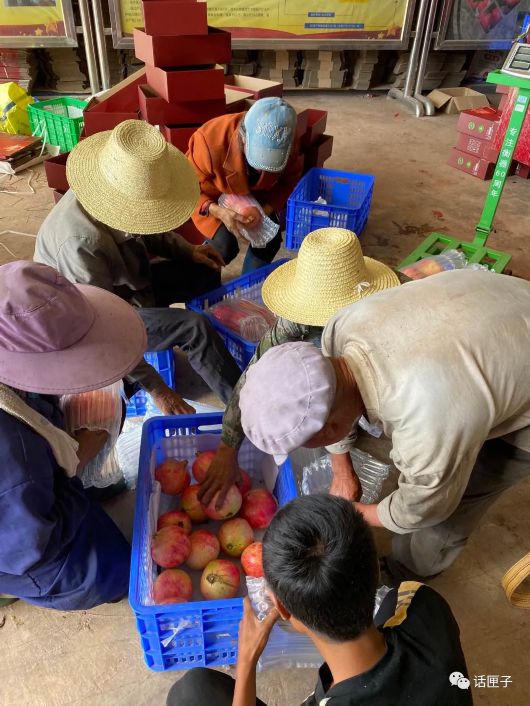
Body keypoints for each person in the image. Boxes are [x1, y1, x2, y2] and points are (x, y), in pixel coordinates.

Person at [238, 270, 530, 581]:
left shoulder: (424, 424)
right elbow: (334, 394)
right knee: (462, 432)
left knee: (458, 505)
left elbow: (423, 508)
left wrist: (354, 514)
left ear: (330, 427)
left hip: (511, 332)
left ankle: (406, 570)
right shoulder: (343, 326)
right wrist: (341, 470)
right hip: (496, 303)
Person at [166, 495, 472, 706]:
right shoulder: (424, 603)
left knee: (192, 693)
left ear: (281, 608)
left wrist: (246, 660)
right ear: (374, 571)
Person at [35, 120, 241, 415]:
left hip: (122, 281)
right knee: (194, 328)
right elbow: (101, 328)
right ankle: (243, 412)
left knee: (205, 268)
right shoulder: (80, 244)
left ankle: (216, 349)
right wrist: (158, 388)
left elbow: (149, 226)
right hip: (86, 316)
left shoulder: (115, 193)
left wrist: (189, 251)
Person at [199, 228, 400, 507]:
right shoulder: (297, 322)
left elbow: (336, 393)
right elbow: (257, 370)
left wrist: (341, 466)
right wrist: (227, 445)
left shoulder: (386, 324)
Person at [0, 260, 147, 610]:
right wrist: (76, 460)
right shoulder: (16, 456)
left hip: (31, 488)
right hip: (24, 547)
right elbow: (32, 547)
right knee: (120, 572)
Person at [186, 96, 303, 273]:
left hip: (256, 196)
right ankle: (203, 284)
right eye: (258, 156)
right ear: (243, 135)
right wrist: (218, 211)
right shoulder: (208, 141)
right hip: (214, 198)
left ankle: (248, 286)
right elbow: (187, 189)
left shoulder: (286, 139)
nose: (261, 167)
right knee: (224, 246)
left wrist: (264, 210)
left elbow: (289, 181)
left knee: (269, 242)